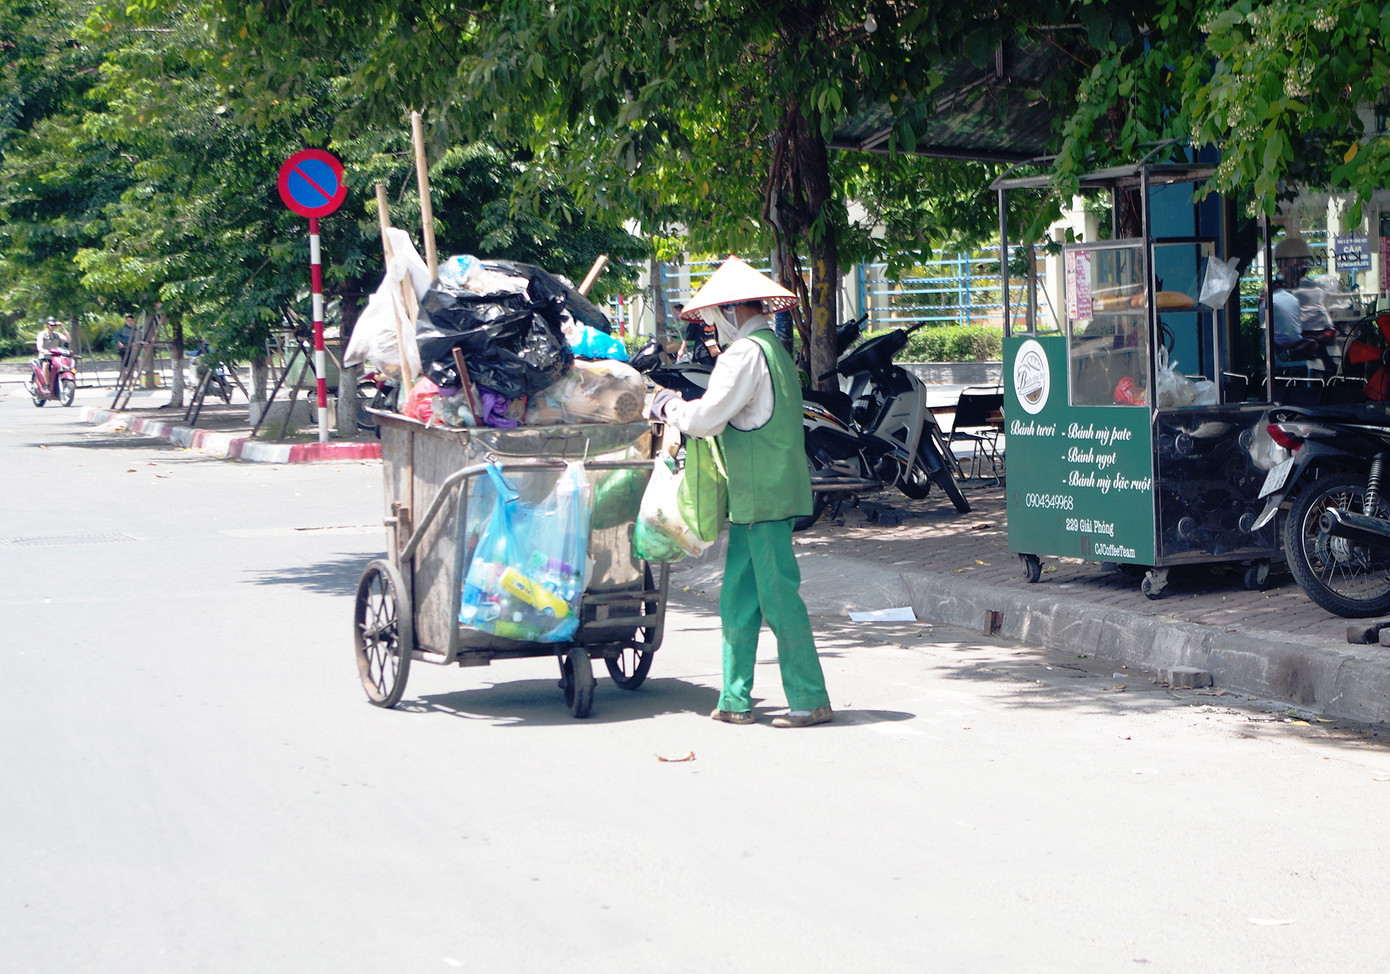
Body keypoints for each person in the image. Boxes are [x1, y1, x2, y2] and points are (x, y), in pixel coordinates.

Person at [648, 255, 833, 728]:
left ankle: (810, 698)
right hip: (761, 496)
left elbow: (709, 417)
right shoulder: (772, 350)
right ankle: (734, 700)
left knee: (777, 598)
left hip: (764, 496)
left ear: (731, 312)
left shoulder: (745, 355)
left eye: (715, 319)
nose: (713, 328)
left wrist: (667, 405)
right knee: (738, 598)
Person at [34, 316, 69, 391]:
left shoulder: (56, 334)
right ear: (47, 325)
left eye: (54, 325)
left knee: (63, 364)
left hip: (55, 357)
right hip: (45, 356)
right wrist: (44, 351)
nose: (53, 327)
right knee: (46, 364)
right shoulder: (42, 334)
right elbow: (39, 346)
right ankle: (47, 385)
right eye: (51, 325)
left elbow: (68, 339)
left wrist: (63, 328)